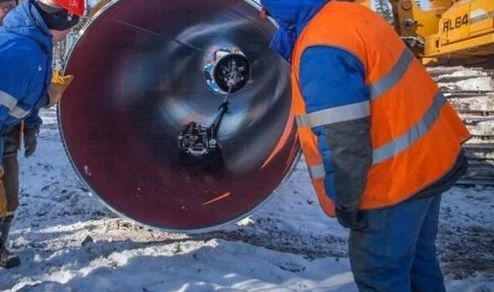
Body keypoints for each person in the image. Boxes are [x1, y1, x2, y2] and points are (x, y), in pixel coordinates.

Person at [259, 0, 471, 291]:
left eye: (266, 5)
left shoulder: (321, 51)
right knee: (419, 261)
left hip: (392, 186)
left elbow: (343, 138)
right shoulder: (350, 15)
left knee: (381, 276)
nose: (262, 12)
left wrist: (345, 198)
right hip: (428, 162)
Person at [0, 0, 84, 269]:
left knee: (9, 197)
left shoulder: (38, 44)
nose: (71, 34)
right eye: (72, 27)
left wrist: (34, 122)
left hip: (8, 129)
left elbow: (26, 93)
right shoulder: (17, 53)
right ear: (61, 19)